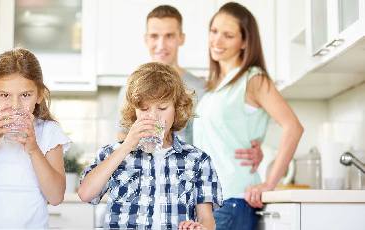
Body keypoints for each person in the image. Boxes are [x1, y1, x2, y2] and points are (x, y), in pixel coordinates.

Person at [193, 2, 304, 229]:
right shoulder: (216, 86)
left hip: (233, 201)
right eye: (214, 32)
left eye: (228, 35)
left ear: (244, 42)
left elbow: (293, 127)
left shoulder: (253, 79)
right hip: (210, 202)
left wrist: (269, 183)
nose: (217, 40)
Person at [116, 4, 264, 172]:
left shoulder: (202, 89)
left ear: (181, 38)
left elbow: (221, 133)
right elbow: (121, 139)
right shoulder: (130, 88)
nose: (161, 44)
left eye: (169, 36)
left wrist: (255, 149)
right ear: (146, 39)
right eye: (154, 36)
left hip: (191, 181)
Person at [79, 62, 223, 229]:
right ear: (134, 111)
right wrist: (126, 146)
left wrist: (200, 228)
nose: (153, 116)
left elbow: (207, 219)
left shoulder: (198, 160)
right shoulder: (113, 154)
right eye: (144, 109)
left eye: (162, 108)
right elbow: (86, 194)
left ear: (177, 108)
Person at [0, 48, 71, 228]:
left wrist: (33, 149)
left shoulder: (49, 132)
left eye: (25, 95)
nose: (15, 105)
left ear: (40, 94)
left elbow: (56, 197)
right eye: (4, 95)